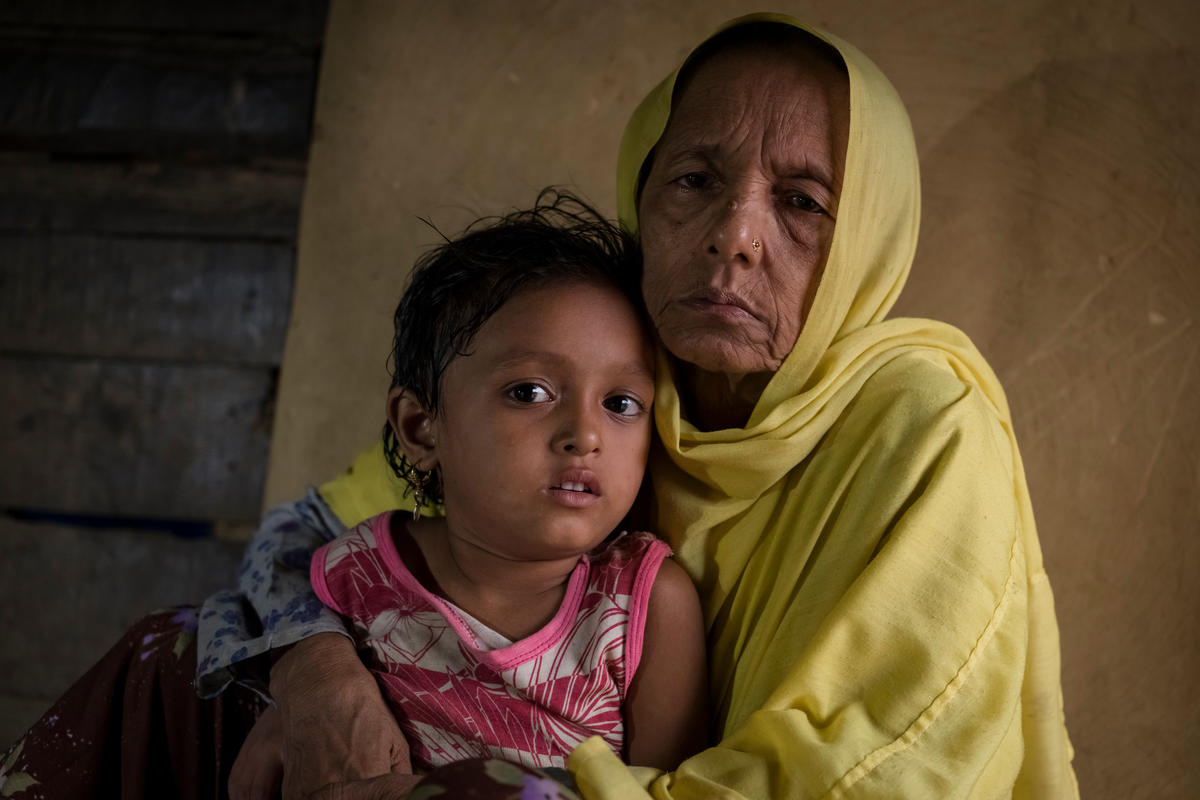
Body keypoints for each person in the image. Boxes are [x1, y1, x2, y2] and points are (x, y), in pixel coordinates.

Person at [1, 12, 1078, 800]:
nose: (736, 236)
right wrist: (317, 667)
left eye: (802, 203)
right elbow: (309, 538)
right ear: (642, 198)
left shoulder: (919, 419)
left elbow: (879, 769)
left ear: (869, 240)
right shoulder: (611, 348)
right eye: (695, 180)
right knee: (174, 660)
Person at [302, 195, 706, 778]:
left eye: (620, 404)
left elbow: (669, 793)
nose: (585, 435)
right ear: (422, 427)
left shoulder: (643, 607)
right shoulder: (360, 572)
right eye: (529, 393)